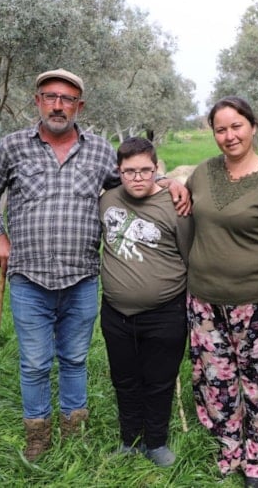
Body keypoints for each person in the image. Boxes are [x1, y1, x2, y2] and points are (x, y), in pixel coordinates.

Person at [0, 69, 189, 462]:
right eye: (50, 96)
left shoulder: (100, 151)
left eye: (67, 99)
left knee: (74, 359)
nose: (58, 105)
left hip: (82, 277)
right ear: (37, 101)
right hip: (29, 276)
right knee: (34, 362)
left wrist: (167, 181)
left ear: (79, 106)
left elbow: (133, 176)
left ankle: (75, 430)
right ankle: (37, 435)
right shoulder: (12, 146)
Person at [186, 96, 258, 488]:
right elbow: (182, 200)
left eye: (237, 126)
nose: (229, 136)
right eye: (221, 129)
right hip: (204, 302)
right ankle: (230, 448)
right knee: (216, 382)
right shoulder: (203, 173)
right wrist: (170, 184)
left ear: (253, 127)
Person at [99, 137, 193, 467]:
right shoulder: (107, 200)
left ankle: (156, 442)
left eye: (145, 171)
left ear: (156, 169)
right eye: (129, 171)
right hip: (116, 313)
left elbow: (188, 254)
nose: (137, 178)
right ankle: (129, 440)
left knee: (159, 380)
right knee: (124, 378)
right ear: (118, 171)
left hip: (165, 311)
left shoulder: (176, 205)